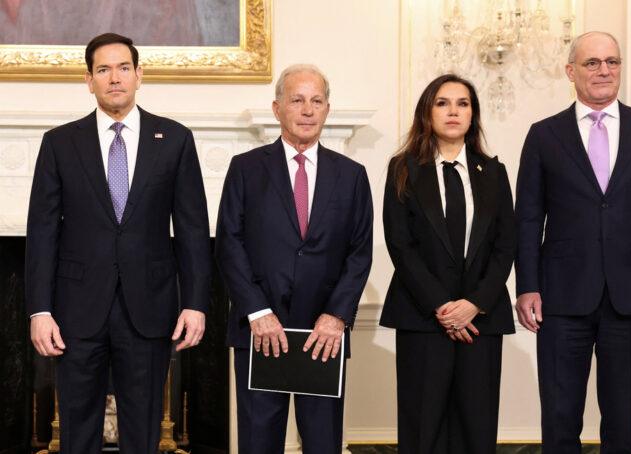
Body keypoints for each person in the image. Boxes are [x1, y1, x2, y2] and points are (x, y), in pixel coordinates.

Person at [25, 33, 211, 453]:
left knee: (143, 433)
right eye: (104, 70)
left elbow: (192, 230)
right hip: (75, 312)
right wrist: (40, 310)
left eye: (123, 68)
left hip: (150, 308)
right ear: (88, 80)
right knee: (76, 432)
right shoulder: (59, 143)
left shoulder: (175, 139)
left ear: (139, 75)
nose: (115, 78)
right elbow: (42, 233)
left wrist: (196, 303)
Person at [515, 31, 631, 453]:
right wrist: (527, 286)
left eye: (612, 61)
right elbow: (528, 218)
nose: (604, 70)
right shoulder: (544, 134)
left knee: (623, 421)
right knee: (560, 418)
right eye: (592, 63)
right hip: (560, 297)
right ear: (570, 71)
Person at [215, 64, 373, 453]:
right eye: (297, 100)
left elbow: (359, 253)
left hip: (324, 336)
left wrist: (336, 317)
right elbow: (229, 244)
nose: (307, 110)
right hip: (260, 331)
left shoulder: (352, 175)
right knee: (258, 443)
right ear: (277, 108)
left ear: (327, 109)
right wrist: (257, 312)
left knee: (323, 443)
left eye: (316, 101)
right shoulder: (246, 168)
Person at [380, 74, 516, 453]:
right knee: (423, 429)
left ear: (473, 114)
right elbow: (400, 245)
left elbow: (505, 246)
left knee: (477, 429)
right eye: (442, 103)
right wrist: (442, 306)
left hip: (481, 321)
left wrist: (474, 304)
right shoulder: (402, 168)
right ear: (428, 112)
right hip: (423, 318)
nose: (453, 111)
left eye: (462, 103)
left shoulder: (494, 173)